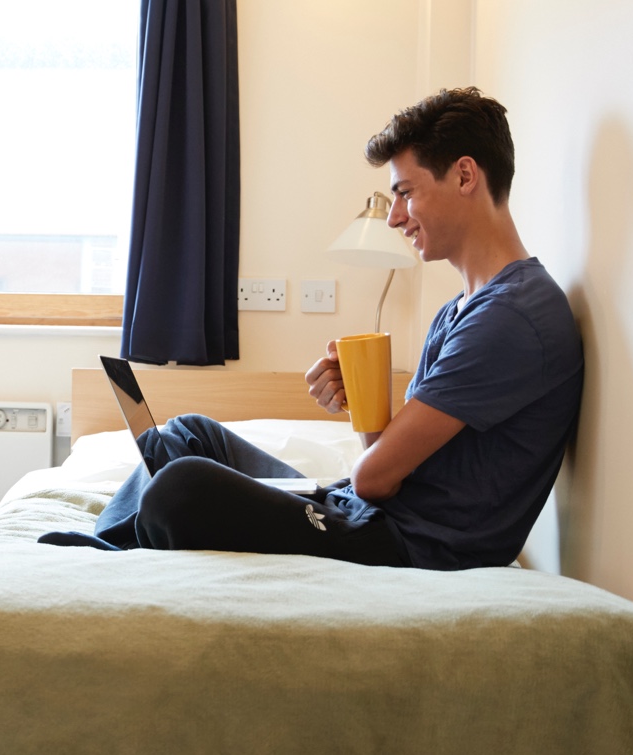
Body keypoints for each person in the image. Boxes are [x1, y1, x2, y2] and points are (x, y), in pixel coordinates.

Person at [41, 87, 583, 570]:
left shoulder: (513, 317)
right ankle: (108, 548)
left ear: (465, 175)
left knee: (182, 485)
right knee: (190, 435)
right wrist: (362, 402)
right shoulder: (460, 310)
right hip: (368, 511)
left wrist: (366, 463)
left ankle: (113, 554)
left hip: (405, 544)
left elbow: (374, 478)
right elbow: (386, 465)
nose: (395, 216)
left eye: (405, 191)